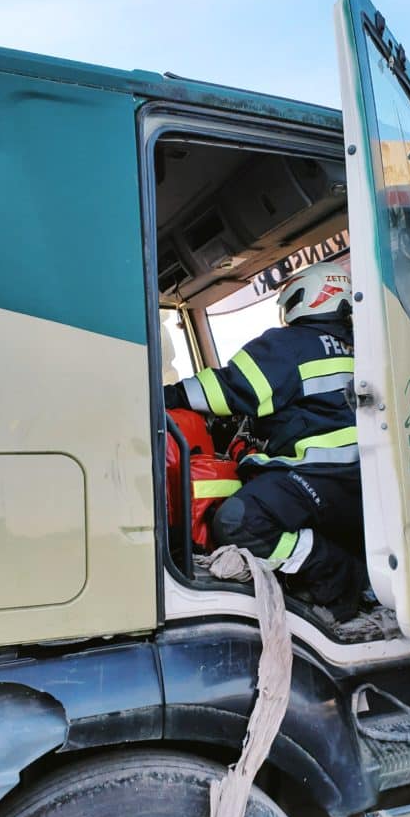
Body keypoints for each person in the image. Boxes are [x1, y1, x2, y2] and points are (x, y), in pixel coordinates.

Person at [164, 257, 369, 621]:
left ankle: (338, 574)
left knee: (238, 522)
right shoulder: (366, 349)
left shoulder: (290, 344)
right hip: (363, 486)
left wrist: (167, 396)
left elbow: (229, 389)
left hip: (317, 477)